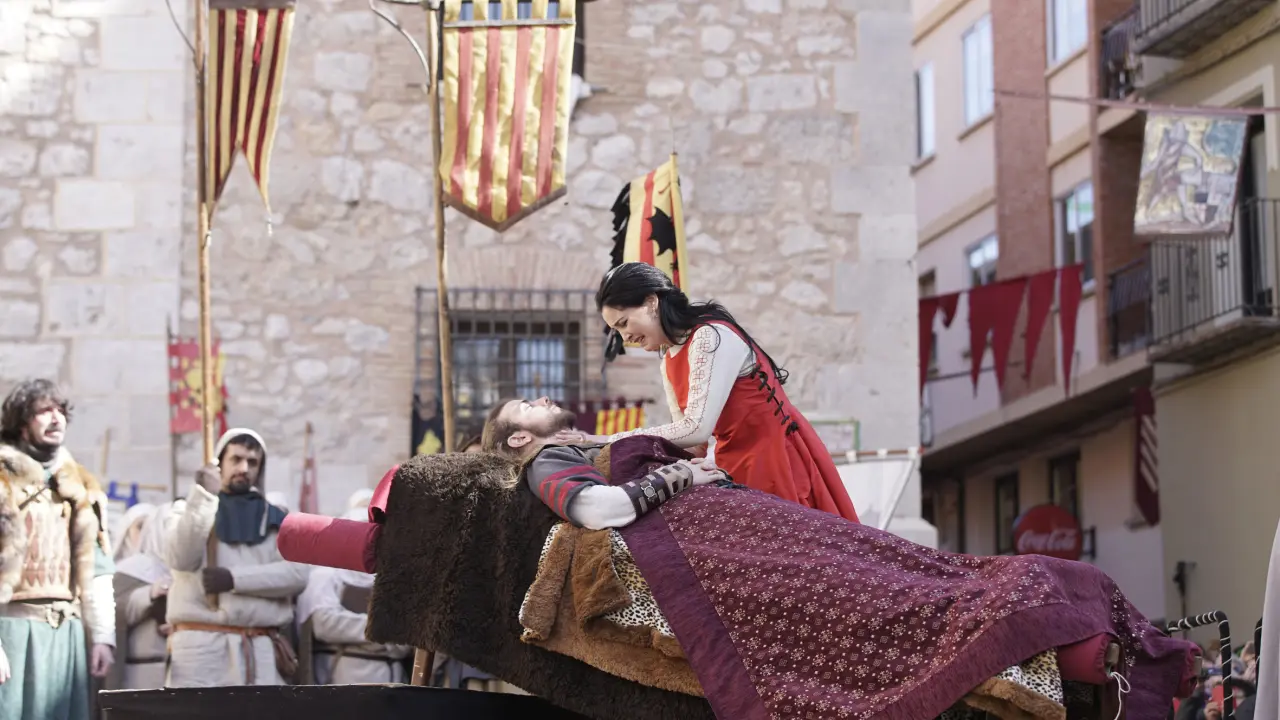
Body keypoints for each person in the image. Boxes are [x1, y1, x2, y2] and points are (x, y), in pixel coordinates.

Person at [480, 400, 1200, 720]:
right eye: (525, 405)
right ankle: (1062, 642)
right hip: (715, 549)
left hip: (747, 527)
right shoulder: (550, 459)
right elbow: (597, 510)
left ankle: (1069, 632)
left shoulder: (587, 447)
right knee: (891, 595)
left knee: (899, 573)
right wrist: (679, 477)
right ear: (517, 440)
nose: (542, 399)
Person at [556, 262, 858, 521]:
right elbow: (694, 447)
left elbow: (695, 429)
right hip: (730, 466)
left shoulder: (710, 336)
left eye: (624, 323)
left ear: (651, 302)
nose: (625, 337)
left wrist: (608, 439)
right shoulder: (669, 359)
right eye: (617, 331)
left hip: (775, 461)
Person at [0, 379, 115, 720]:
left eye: (61, 410)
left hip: (66, 637)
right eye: (44, 411)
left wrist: (102, 637)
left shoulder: (80, 485)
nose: (56, 418)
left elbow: (98, 570)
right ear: (22, 423)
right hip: (12, 634)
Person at [162, 428, 310, 687]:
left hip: (258, 650)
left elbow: (297, 574)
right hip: (201, 651)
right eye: (236, 459)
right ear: (220, 462)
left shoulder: (277, 519)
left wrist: (234, 579)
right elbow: (181, 559)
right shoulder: (186, 509)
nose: (244, 468)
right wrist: (204, 498)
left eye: (252, 462)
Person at [295, 494, 411, 685]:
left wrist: (363, 635)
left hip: (392, 681)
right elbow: (325, 624)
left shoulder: (394, 581)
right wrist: (382, 632)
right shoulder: (326, 575)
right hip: (343, 680)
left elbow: (407, 640)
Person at [109, 502, 176, 690]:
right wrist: (149, 595)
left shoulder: (195, 571)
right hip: (142, 672)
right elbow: (113, 611)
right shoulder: (129, 570)